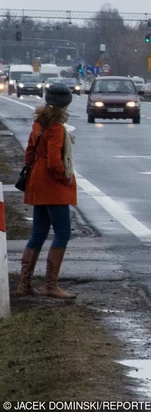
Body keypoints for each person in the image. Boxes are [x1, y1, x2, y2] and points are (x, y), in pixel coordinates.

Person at [15, 83, 77, 299]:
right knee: (63, 232)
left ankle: (25, 283)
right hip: (53, 184)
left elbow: (29, 152)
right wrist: (65, 178)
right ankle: (50, 284)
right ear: (66, 104)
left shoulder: (38, 123)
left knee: (38, 233)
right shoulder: (57, 127)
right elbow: (54, 161)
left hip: (36, 180)